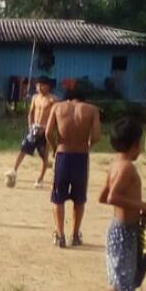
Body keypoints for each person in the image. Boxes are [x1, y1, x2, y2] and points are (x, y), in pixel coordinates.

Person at [64, 116, 146, 291]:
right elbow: (112, 198)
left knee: (123, 284)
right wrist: (145, 207)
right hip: (123, 233)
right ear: (135, 144)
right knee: (122, 288)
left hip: (123, 230)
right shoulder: (126, 167)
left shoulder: (115, 165)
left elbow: (101, 196)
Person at [44, 86, 101, 248]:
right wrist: (88, 146)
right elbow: (96, 135)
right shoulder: (92, 110)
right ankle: (75, 235)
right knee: (79, 198)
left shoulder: (58, 107)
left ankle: (60, 235)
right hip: (81, 156)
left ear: (68, 98)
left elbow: (48, 133)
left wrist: (55, 147)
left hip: (63, 155)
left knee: (58, 196)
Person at [6, 77, 56, 188]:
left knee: (44, 155)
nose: (38, 87)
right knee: (23, 148)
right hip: (34, 128)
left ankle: (40, 178)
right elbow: (31, 113)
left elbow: (56, 116)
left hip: (45, 130)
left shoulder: (53, 99)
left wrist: (47, 128)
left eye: (41, 85)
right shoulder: (35, 98)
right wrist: (30, 126)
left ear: (47, 86)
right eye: (38, 85)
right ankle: (14, 170)